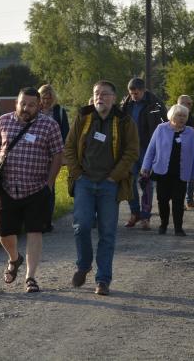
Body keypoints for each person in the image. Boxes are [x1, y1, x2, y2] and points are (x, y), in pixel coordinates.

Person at [0, 87, 63, 293]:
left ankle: (31, 277)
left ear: (39, 106)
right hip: (8, 187)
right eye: (22, 104)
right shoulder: (3, 121)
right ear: (16, 103)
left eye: (31, 105)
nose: (26, 108)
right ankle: (14, 258)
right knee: (3, 232)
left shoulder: (50, 125)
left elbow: (57, 155)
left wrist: (50, 182)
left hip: (37, 188)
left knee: (34, 231)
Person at [64, 80, 138, 295]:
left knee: (107, 233)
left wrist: (114, 177)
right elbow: (69, 147)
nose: (100, 97)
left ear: (114, 98)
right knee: (82, 226)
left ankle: (103, 280)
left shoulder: (124, 121)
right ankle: (84, 264)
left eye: (105, 94)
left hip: (109, 184)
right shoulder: (83, 117)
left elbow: (132, 151)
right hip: (84, 182)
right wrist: (76, 174)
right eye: (97, 93)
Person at [141, 104, 194, 236]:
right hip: (162, 171)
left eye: (184, 116)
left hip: (181, 172)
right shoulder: (161, 128)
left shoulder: (190, 132)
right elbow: (151, 149)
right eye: (179, 115)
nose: (182, 118)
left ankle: (178, 228)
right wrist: (146, 166)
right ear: (172, 116)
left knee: (178, 202)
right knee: (162, 200)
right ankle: (163, 225)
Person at [119, 77, 167, 230]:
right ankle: (135, 213)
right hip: (129, 149)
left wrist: (159, 149)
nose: (133, 96)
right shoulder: (125, 105)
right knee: (129, 181)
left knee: (146, 182)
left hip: (148, 148)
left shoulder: (156, 104)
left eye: (136, 93)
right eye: (131, 93)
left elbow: (163, 126)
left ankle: (145, 216)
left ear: (143, 90)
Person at [38, 84, 69, 232]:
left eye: (49, 99)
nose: (46, 102)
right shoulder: (34, 110)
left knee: (50, 186)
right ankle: (36, 219)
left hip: (53, 155)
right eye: (44, 99)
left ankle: (47, 220)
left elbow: (66, 134)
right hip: (35, 154)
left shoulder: (60, 112)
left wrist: (63, 155)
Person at [176, 95, 194, 211]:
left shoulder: (190, 116)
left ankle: (189, 201)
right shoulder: (174, 116)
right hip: (177, 152)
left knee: (190, 178)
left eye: (191, 104)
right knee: (179, 179)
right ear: (180, 104)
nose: (190, 106)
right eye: (188, 104)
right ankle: (180, 202)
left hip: (189, 152)